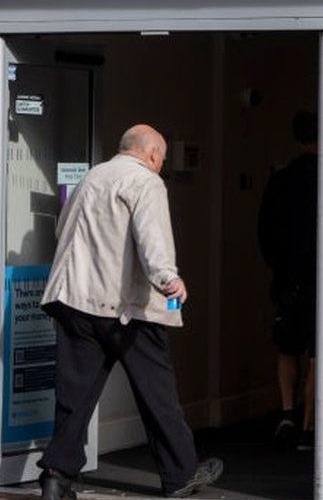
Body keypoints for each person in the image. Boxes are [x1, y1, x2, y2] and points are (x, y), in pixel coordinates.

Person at [37, 125, 222, 499]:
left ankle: (56, 476)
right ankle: (180, 474)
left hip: (74, 299)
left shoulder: (92, 177)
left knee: (76, 395)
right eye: (162, 159)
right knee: (157, 394)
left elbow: (64, 230)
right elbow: (152, 237)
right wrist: (169, 279)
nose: (161, 166)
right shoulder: (146, 182)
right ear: (152, 154)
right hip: (125, 308)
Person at [257, 112, 319, 451]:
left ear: (297, 139)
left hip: (288, 278)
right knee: (317, 354)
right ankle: (310, 425)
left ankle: (286, 413)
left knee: (286, 347)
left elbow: (264, 230)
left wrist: (278, 267)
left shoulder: (281, 179)